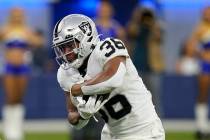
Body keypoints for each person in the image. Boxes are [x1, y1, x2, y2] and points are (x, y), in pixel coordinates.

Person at [53, 14, 165, 140]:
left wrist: (78, 89)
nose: (66, 53)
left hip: (144, 130)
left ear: (85, 38)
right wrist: (83, 116)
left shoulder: (107, 48)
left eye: (70, 45)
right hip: (111, 134)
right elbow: (72, 115)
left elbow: (113, 79)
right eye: (62, 48)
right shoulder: (66, 73)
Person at [0, 7, 42, 140]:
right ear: (11, 16)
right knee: (10, 97)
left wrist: (32, 37)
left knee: (19, 98)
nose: (17, 17)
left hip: (23, 67)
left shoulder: (27, 31)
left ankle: (17, 131)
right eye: (15, 15)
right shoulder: (5, 30)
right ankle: (8, 129)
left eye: (20, 15)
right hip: (9, 68)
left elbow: (39, 42)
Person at [187, 6, 210, 139]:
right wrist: (202, 54)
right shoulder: (200, 29)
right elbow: (190, 48)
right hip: (206, 66)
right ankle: (201, 127)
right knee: (202, 95)